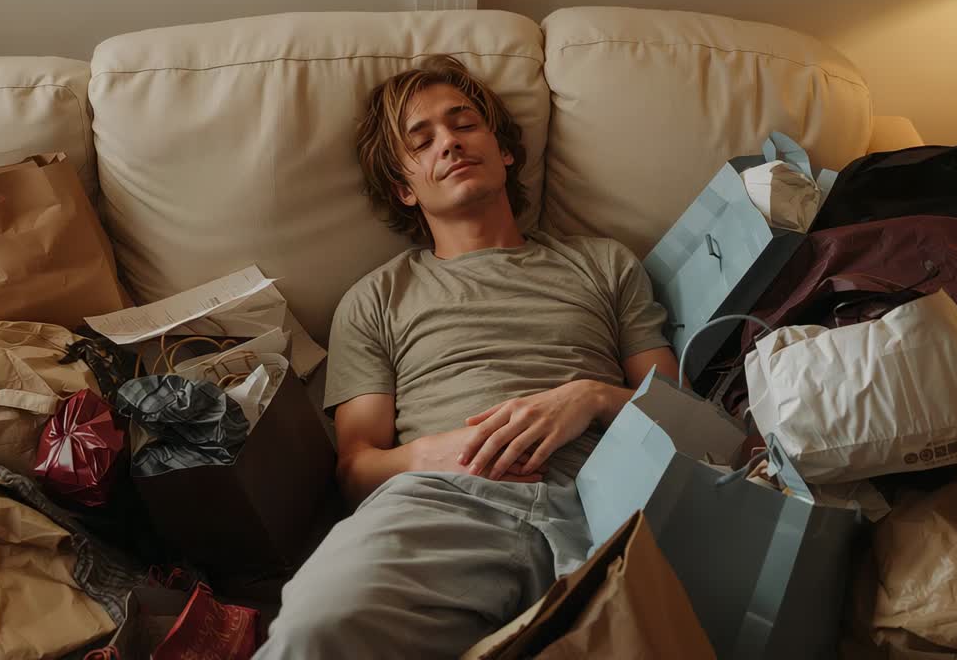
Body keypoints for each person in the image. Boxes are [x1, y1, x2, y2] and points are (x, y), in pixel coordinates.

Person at [255, 55, 682, 659]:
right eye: (422, 140)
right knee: (313, 632)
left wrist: (589, 398)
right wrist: (434, 454)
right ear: (404, 189)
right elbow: (355, 468)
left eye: (464, 124)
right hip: (441, 506)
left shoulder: (604, 263)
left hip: (603, 499)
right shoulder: (375, 298)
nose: (450, 142)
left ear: (504, 150)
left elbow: (679, 417)